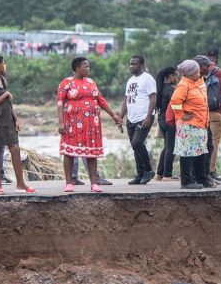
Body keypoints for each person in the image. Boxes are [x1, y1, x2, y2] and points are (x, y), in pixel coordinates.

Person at [57, 56, 122, 193]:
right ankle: (69, 183)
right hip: (72, 123)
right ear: (77, 68)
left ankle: (94, 183)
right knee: (70, 152)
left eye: (88, 66)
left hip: (92, 124)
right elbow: (60, 103)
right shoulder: (66, 83)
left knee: (91, 153)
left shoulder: (91, 82)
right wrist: (61, 122)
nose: (88, 69)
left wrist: (113, 115)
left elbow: (101, 100)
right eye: (85, 66)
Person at [0, 55, 34, 195]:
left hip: (7, 118)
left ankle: (21, 184)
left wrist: (15, 118)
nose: (5, 65)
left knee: (15, 149)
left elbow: (8, 103)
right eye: (3, 63)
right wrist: (5, 94)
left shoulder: (2, 79)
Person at [169, 59, 209, 190]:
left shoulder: (196, 82)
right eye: (197, 72)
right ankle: (186, 181)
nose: (199, 73)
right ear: (190, 73)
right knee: (187, 153)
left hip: (199, 124)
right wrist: (181, 115)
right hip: (189, 126)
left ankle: (200, 178)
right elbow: (175, 101)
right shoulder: (184, 85)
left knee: (199, 152)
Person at [120, 54, 157, 185]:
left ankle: (148, 170)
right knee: (135, 147)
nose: (131, 66)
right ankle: (140, 175)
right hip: (131, 118)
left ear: (141, 65)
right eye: (130, 64)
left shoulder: (147, 78)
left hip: (143, 118)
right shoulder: (130, 81)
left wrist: (148, 116)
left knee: (137, 143)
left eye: (134, 64)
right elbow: (126, 100)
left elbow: (153, 98)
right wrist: (120, 117)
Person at [194, 55, 219, 187]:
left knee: (208, 147)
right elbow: (176, 102)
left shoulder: (202, 80)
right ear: (199, 67)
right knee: (198, 150)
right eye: (207, 66)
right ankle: (199, 178)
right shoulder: (190, 81)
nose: (209, 68)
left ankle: (204, 176)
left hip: (204, 120)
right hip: (194, 122)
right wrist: (183, 114)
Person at [204, 46, 221, 182]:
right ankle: (211, 171)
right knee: (213, 143)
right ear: (217, 57)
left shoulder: (197, 70)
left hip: (200, 112)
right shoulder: (218, 71)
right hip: (216, 112)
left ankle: (198, 171)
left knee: (201, 142)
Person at [153, 65, 179, 181]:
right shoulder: (170, 90)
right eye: (176, 75)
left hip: (161, 120)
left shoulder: (162, 88)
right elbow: (176, 105)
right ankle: (167, 174)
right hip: (169, 121)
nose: (177, 77)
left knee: (167, 146)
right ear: (170, 76)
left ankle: (159, 173)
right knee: (171, 147)